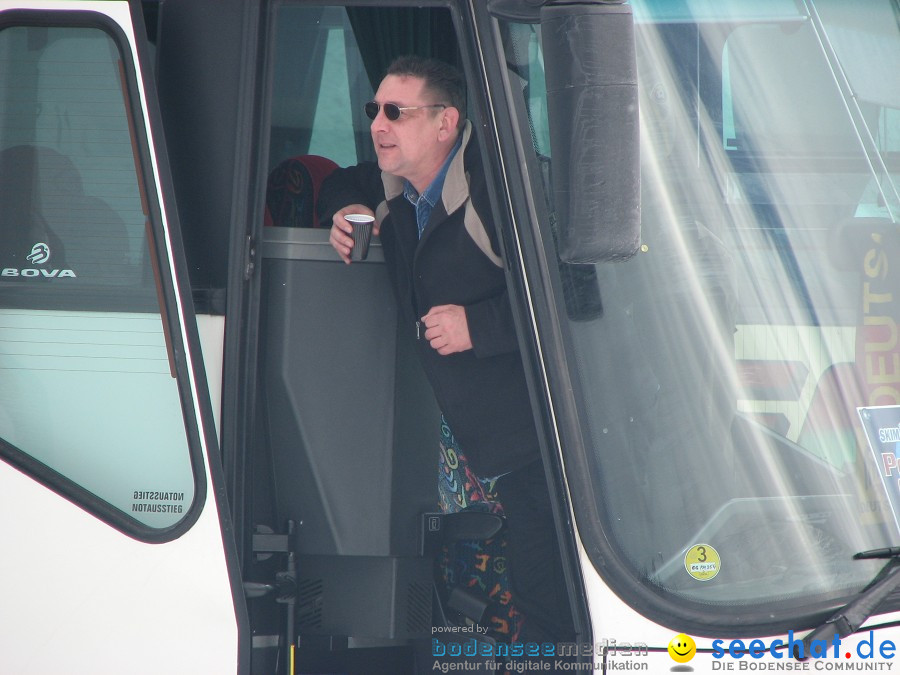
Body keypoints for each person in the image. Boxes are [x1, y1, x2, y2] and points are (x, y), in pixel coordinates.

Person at [320, 55, 574, 644]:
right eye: (374, 109)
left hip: (554, 443)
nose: (378, 124)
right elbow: (343, 179)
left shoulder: (504, 187)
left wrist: (479, 326)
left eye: (396, 112)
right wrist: (345, 210)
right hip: (494, 449)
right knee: (529, 597)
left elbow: (578, 295)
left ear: (446, 123)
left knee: (555, 599)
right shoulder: (395, 187)